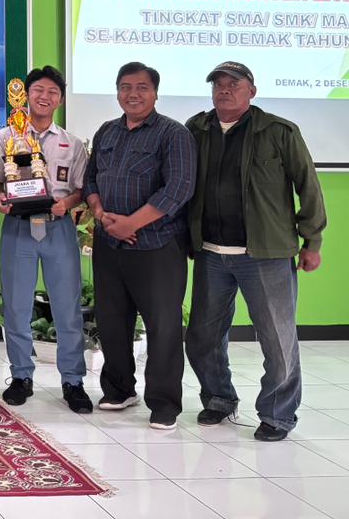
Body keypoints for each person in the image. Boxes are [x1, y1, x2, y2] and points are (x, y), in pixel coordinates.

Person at [184, 61, 326, 442]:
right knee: (202, 336)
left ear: (252, 91)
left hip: (265, 254)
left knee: (277, 340)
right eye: (218, 84)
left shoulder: (278, 131)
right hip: (211, 253)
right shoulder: (196, 129)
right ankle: (218, 398)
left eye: (234, 84)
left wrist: (312, 241)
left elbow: (308, 185)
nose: (224, 89)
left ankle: (278, 415)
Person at [84, 61, 195, 430]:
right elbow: (90, 180)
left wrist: (131, 224)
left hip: (157, 246)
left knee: (163, 326)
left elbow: (178, 188)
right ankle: (119, 389)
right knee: (112, 321)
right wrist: (101, 215)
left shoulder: (173, 134)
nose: (133, 94)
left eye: (142, 87)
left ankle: (164, 403)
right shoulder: (107, 131)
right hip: (109, 244)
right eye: (126, 87)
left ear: (155, 93)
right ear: (118, 92)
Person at [0, 65, 93, 414]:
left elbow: (81, 188)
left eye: (52, 92)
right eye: (38, 90)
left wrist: (68, 203)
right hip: (18, 227)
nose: (44, 97)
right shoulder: (4, 138)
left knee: (67, 308)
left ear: (60, 100)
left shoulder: (71, 143)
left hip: (58, 228)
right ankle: (21, 376)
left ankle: (73, 380)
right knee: (17, 306)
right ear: (25, 95)